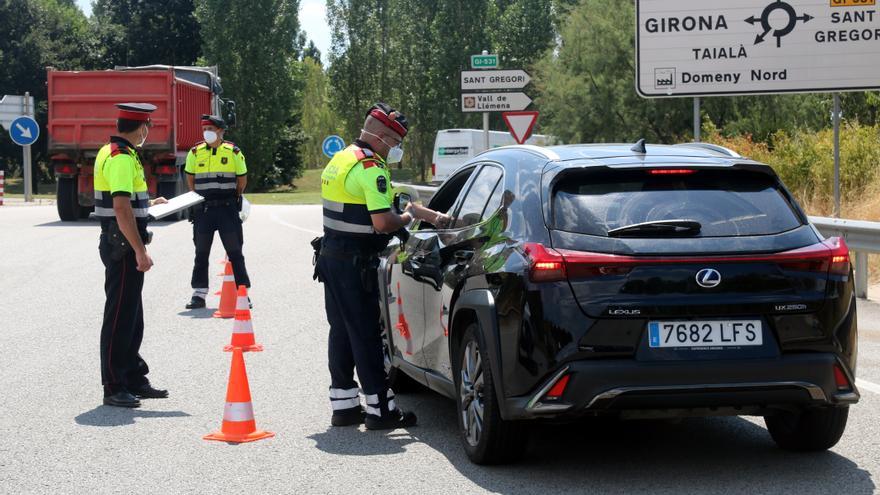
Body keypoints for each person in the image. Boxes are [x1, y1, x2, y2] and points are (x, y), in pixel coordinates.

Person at [316, 102, 450, 429]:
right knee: (366, 334)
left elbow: (367, 206)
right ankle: (381, 409)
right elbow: (382, 221)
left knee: (343, 332)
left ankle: (345, 406)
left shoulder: (342, 158)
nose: (397, 149)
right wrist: (408, 217)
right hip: (354, 262)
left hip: (331, 257)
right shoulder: (371, 167)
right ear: (382, 137)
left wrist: (422, 213)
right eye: (396, 141)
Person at [93, 103, 169, 408]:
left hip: (120, 241)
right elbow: (121, 208)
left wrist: (151, 202)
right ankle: (113, 385)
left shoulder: (112, 151)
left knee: (132, 315)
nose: (147, 132)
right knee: (120, 316)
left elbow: (128, 201)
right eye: (147, 127)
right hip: (122, 245)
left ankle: (133, 377)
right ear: (142, 127)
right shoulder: (121, 157)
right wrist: (140, 250)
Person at [184, 115, 250, 309]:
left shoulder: (233, 152)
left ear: (221, 131)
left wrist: (233, 197)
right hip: (203, 210)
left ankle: (243, 293)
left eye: (211, 129)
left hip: (227, 209)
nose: (207, 133)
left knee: (235, 252)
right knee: (201, 252)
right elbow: (190, 179)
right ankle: (199, 294)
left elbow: (242, 181)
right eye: (205, 129)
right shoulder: (195, 152)